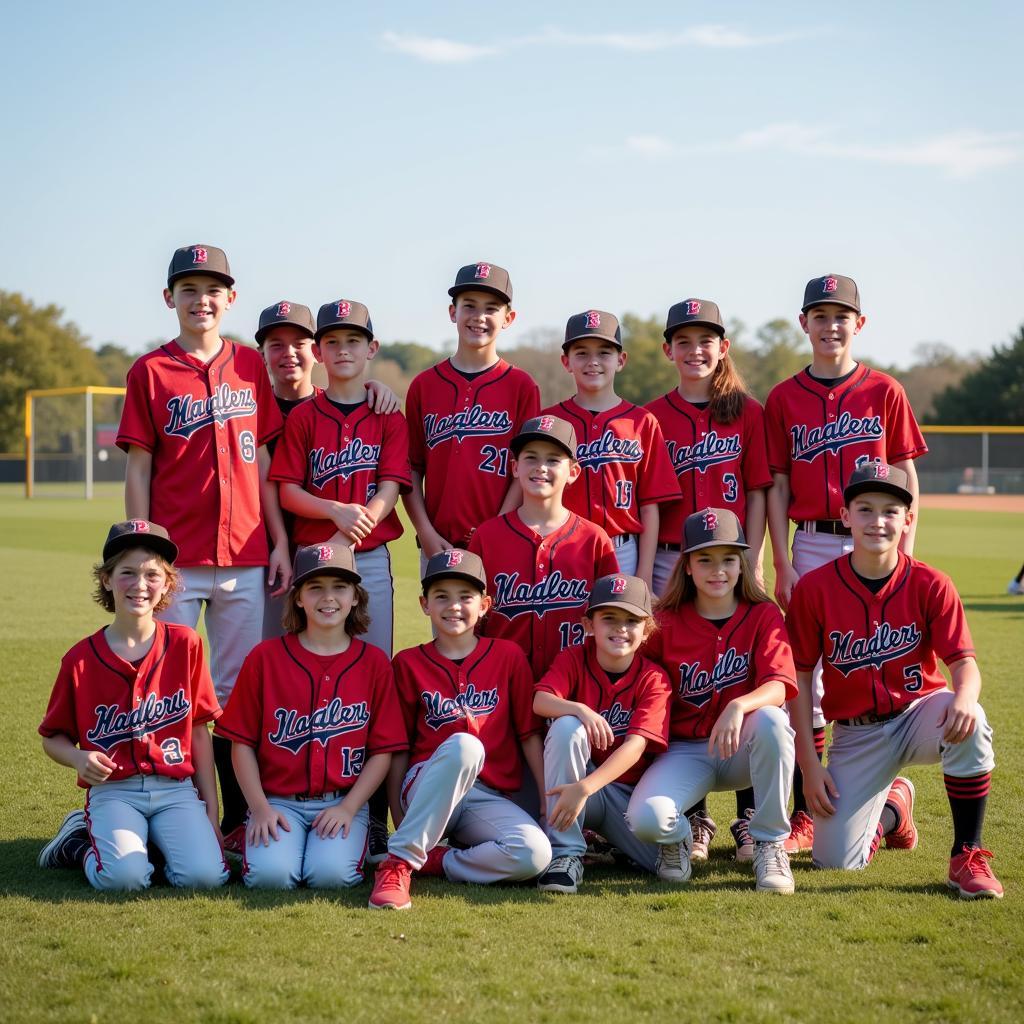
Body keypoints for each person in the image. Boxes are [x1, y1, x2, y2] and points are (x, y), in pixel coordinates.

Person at [115, 244, 291, 848]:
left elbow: (265, 462)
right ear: (170, 299)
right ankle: (175, 813)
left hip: (245, 554)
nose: (201, 299)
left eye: (212, 288)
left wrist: (280, 541)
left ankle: (240, 816)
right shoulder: (150, 371)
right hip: (178, 561)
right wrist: (142, 555)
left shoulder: (250, 368)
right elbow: (139, 467)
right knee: (172, 690)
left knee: (240, 692)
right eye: (188, 289)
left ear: (230, 298)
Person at [765, 274, 927, 855]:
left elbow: (906, 474)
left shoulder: (884, 389)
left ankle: (888, 790)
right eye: (820, 315)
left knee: (869, 668)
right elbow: (779, 484)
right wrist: (780, 559)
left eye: (842, 316)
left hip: (877, 541)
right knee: (802, 678)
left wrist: (906, 550)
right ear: (804, 323)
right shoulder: (784, 397)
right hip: (811, 541)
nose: (831, 326)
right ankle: (809, 810)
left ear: (859, 324)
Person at [787, 463, 1002, 898]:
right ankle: (894, 810)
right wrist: (810, 766)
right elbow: (801, 679)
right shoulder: (814, 589)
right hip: (856, 735)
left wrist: (963, 697)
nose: (877, 521)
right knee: (835, 862)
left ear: (908, 519)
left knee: (973, 719)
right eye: (865, 509)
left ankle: (967, 853)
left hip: (920, 714)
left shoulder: (930, 583)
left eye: (890, 511)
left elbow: (964, 665)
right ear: (845, 516)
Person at [646, 297, 772, 861]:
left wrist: (759, 557)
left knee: (743, 669)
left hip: (730, 557)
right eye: (684, 340)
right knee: (678, 673)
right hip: (672, 556)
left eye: (707, 340)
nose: (695, 350)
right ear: (668, 349)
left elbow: (760, 488)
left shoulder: (746, 411)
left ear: (723, 347)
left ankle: (750, 818)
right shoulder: (652, 416)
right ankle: (694, 818)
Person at [37, 520, 227, 891]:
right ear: (107, 580)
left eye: (152, 574)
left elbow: (199, 734)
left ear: (168, 583)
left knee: (206, 878)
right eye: (127, 573)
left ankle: (145, 844)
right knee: (123, 880)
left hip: (175, 789)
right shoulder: (80, 659)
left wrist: (212, 813)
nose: (140, 585)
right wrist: (78, 759)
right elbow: (52, 738)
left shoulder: (186, 644)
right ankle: (78, 843)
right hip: (114, 790)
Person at [214, 543, 406, 889]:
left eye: (340, 587)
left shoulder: (374, 663)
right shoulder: (265, 658)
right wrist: (258, 809)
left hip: (342, 800)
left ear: (355, 598)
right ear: (298, 597)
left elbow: (383, 751)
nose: (328, 598)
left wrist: (349, 808)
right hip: (277, 802)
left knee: (330, 877)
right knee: (270, 878)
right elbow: (240, 743)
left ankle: (327, 845)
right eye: (315, 587)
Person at [627, 509, 798, 894]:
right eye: (705, 559)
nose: (717, 570)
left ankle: (770, 843)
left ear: (742, 564)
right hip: (686, 751)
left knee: (772, 721)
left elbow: (781, 684)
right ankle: (680, 837)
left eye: (728, 559)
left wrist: (739, 706)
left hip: (743, 749)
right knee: (646, 821)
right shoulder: (664, 621)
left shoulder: (763, 614)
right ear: (687, 566)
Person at [368, 549, 551, 910]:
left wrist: (546, 805)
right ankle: (399, 862)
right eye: (441, 596)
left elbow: (529, 735)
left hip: (486, 795)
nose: (454, 606)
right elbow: (398, 748)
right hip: (426, 784)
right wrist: (400, 819)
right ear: (424, 604)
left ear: (484, 605)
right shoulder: (407, 663)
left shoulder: (508, 656)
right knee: (464, 747)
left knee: (533, 854)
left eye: (465, 597)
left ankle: (439, 861)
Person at [271, 298, 410, 658]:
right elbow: (288, 491)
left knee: (375, 657)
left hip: (369, 555)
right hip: (312, 555)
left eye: (353, 341)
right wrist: (334, 511)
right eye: (332, 342)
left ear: (371, 348)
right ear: (318, 352)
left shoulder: (389, 416)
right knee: (311, 654)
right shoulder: (304, 417)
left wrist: (345, 536)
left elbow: (390, 488)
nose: (343, 350)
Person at [533, 574, 672, 894]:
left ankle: (612, 843)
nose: (620, 628)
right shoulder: (573, 658)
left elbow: (636, 747)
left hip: (626, 796)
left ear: (647, 629)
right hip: (580, 786)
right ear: (589, 624)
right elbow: (540, 701)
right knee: (567, 725)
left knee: (663, 866)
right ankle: (564, 855)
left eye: (631, 620)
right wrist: (580, 710)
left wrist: (584, 788)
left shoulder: (654, 678)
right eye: (609, 618)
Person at [403, 262, 539, 564]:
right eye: (469, 306)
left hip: (502, 539)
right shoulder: (424, 386)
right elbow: (411, 468)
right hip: (437, 542)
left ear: (508, 318)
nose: (479, 317)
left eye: (491, 308)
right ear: (453, 312)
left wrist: (497, 530)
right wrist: (423, 530)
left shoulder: (521, 386)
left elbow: (525, 468)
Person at [468, 415, 620, 678]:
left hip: (575, 683)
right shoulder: (487, 536)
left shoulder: (594, 539)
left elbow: (611, 617)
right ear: (515, 467)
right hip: (500, 681)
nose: (541, 467)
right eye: (531, 458)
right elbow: (473, 622)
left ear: (573, 472)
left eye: (552, 459)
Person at [542, 310, 679, 588]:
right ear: (566, 362)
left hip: (623, 547)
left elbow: (650, 506)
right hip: (563, 543)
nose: (593, 362)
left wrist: (644, 572)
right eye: (582, 353)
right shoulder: (549, 422)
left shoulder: (641, 422)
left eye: (604, 352)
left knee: (621, 630)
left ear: (621, 360)